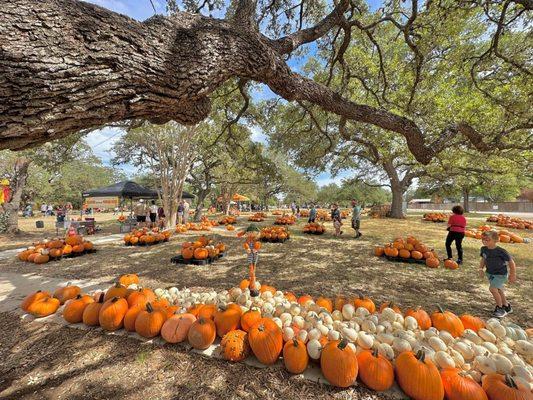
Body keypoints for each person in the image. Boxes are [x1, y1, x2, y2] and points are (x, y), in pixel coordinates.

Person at [479, 230, 516, 318]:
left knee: (493, 289)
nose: (484, 241)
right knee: (499, 290)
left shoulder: (501, 251)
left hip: (500, 274)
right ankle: (506, 306)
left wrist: (512, 274)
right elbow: (483, 259)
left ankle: (500, 309)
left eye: (487, 239)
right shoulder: (483, 249)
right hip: (490, 273)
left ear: (495, 240)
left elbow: (511, 262)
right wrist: (480, 268)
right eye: (483, 239)